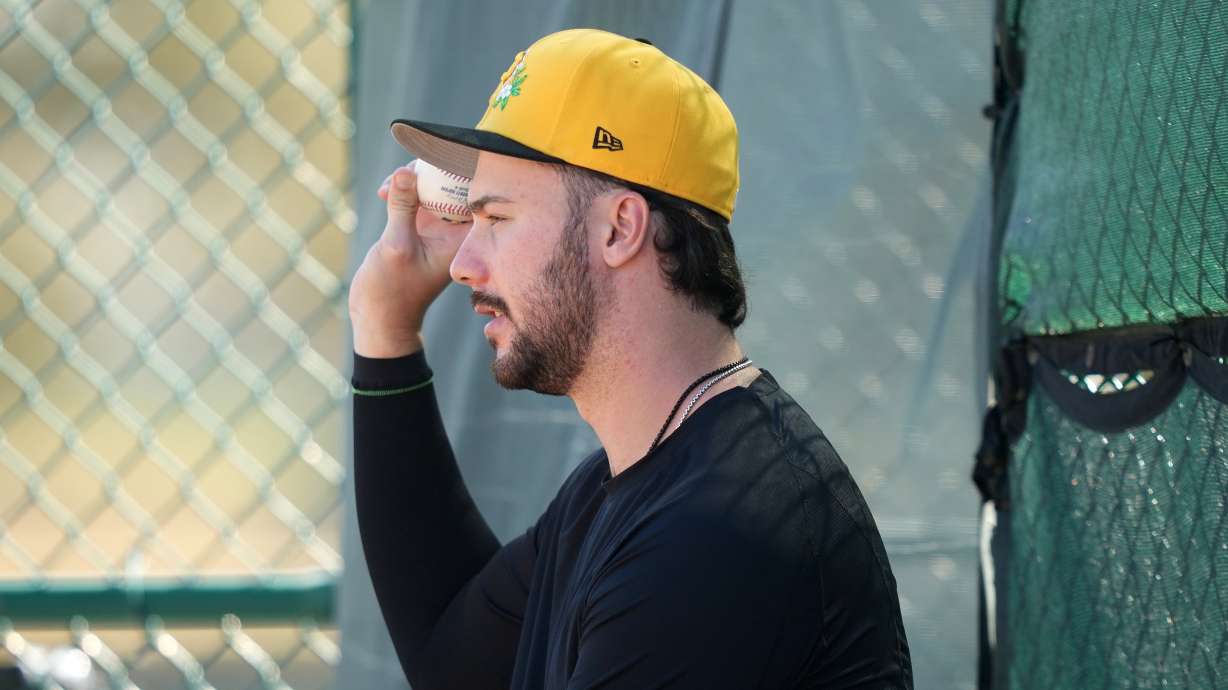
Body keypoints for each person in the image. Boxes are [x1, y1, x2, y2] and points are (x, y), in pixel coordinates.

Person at [349, 28, 912, 689]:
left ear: (619, 229)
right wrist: (384, 330)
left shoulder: (719, 535)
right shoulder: (623, 485)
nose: (466, 265)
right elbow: (453, 656)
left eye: (495, 219)